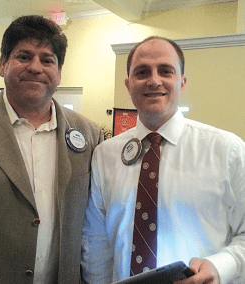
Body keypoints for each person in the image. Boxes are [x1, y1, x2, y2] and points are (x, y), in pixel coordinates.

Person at [0, 15, 103, 283]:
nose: (35, 67)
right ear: (2, 64)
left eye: (47, 59)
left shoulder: (89, 135)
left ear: (59, 72)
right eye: (24, 56)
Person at [81, 36, 245, 284]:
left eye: (165, 71)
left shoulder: (227, 150)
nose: (154, 80)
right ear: (128, 84)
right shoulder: (105, 155)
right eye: (142, 72)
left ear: (182, 82)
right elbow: (96, 242)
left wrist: (220, 266)